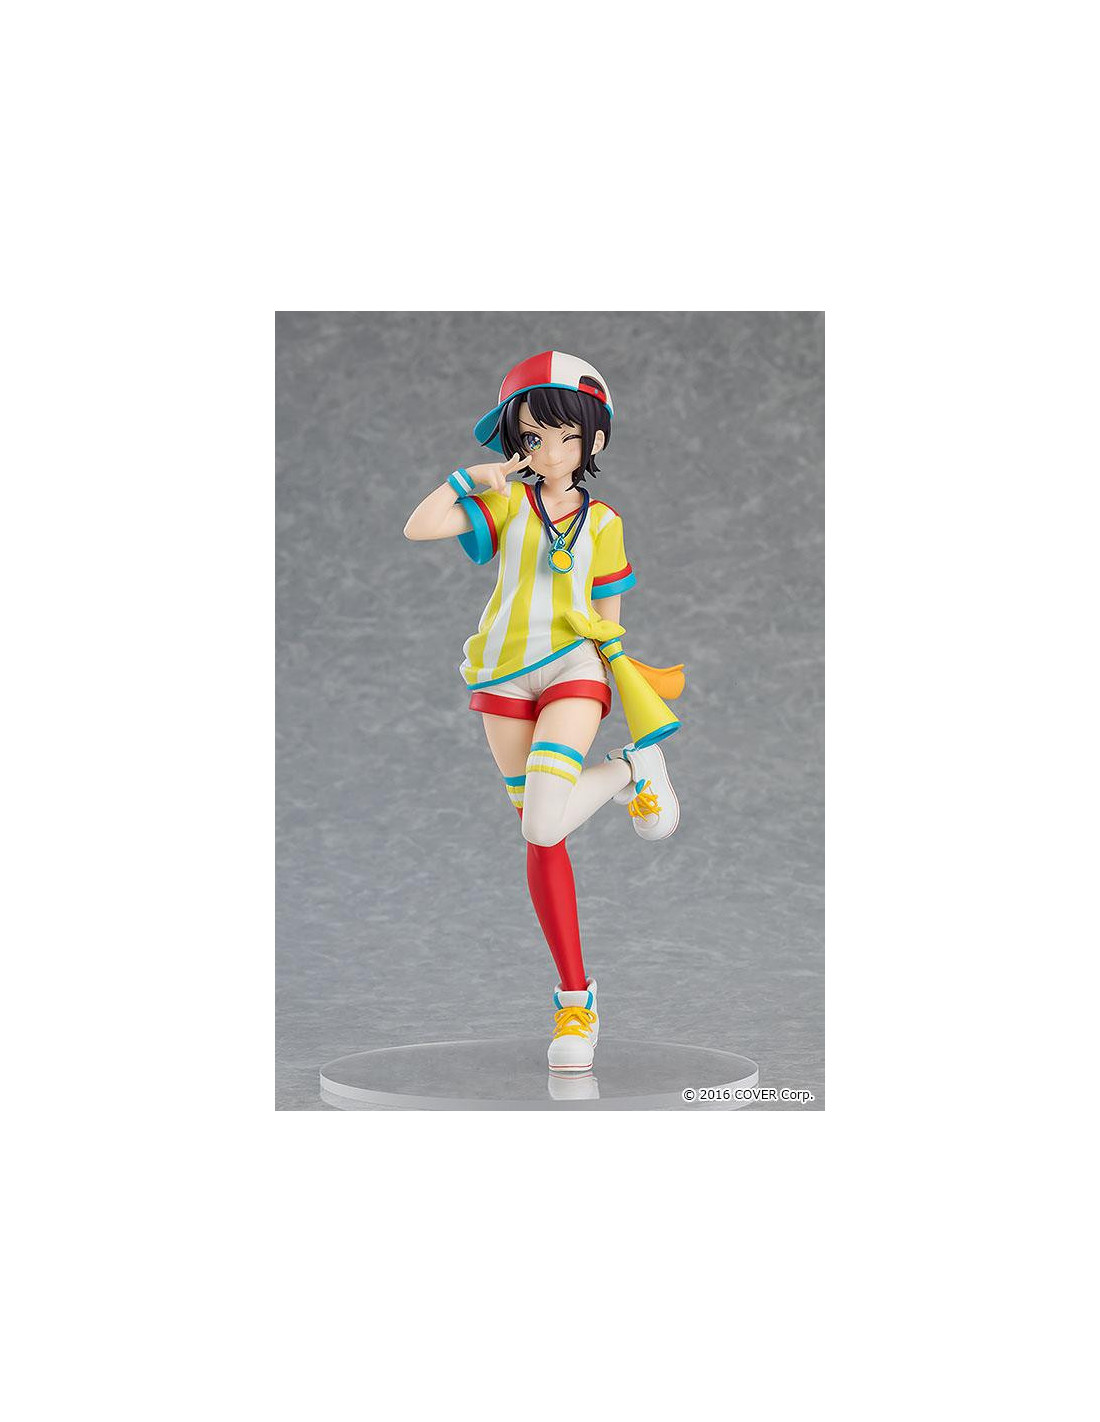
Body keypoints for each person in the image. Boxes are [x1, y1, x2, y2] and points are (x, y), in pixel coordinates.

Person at [403, 351, 683, 1073]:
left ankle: (626, 767)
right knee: (543, 834)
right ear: (515, 440)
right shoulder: (506, 503)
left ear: (595, 440)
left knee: (541, 822)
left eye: (567, 437)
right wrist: (471, 479)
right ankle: (574, 998)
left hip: (573, 667)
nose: (552, 452)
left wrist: (617, 677)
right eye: (533, 437)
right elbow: (420, 527)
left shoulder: (606, 521)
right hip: (501, 674)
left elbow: (609, 611)